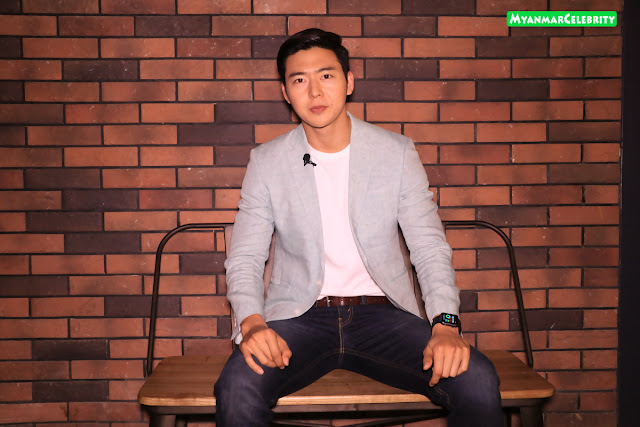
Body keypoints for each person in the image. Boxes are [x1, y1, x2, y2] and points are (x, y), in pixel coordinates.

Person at [214, 28, 503, 427]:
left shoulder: (395, 152)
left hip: (384, 317)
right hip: (298, 320)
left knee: (478, 380)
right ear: (286, 92)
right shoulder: (267, 162)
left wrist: (446, 323)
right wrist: (251, 323)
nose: (315, 91)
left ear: (349, 81)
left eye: (326, 75)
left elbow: (429, 248)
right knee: (237, 387)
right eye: (299, 80)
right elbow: (245, 257)